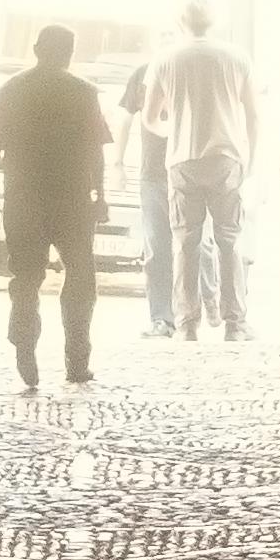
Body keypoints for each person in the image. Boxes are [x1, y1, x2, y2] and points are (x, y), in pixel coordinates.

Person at [0, 22, 108, 391]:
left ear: (35, 48)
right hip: (72, 199)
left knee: (26, 277)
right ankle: (77, 360)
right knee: (80, 277)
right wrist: (102, 196)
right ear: (69, 54)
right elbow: (96, 152)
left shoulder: (11, 90)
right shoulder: (84, 92)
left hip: (24, 197)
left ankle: (24, 345)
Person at [150, 0, 260, 343]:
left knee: (185, 244)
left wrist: (175, 132)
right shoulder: (237, 57)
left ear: (181, 22)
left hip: (182, 160)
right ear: (213, 22)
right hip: (227, 157)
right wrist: (249, 159)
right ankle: (235, 323)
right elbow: (254, 115)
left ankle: (187, 325)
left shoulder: (166, 59)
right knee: (229, 241)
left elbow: (151, 117)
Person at [124, 34, 177, 338]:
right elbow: (126, 118)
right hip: (154, 172)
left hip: (187, 167)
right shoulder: (143, 73)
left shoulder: (189, 71)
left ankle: (188, 315)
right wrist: (117, 163)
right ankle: (162, 317)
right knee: (158, 246)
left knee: (196, 246)